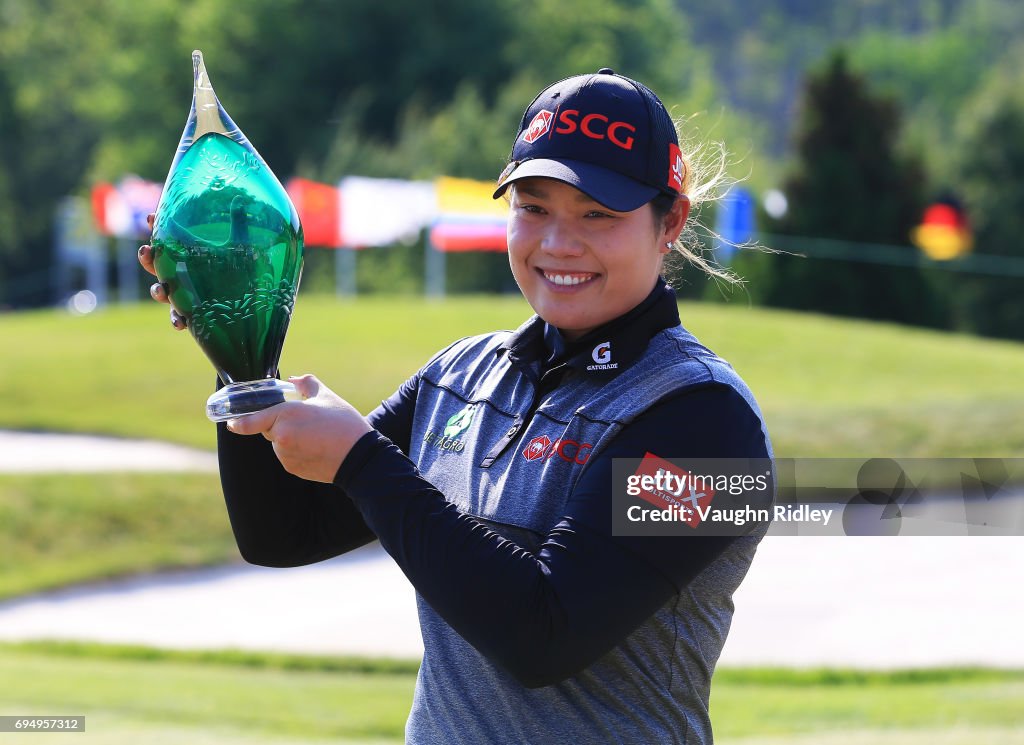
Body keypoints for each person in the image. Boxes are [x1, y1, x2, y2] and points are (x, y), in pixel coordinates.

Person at [139, 68, 772, 744]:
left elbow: (546, 635)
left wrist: (362, 461)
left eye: (598, 214)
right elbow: (282, 534)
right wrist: (239, 351)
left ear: (669, 220)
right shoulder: (462, 375)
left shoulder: (711, 423)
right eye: (533, 208)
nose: (558, 243)